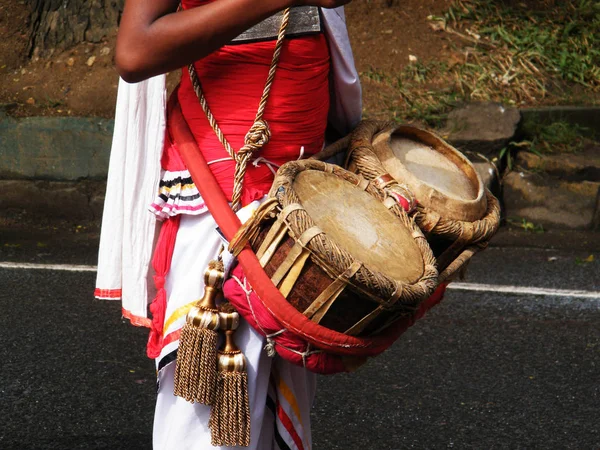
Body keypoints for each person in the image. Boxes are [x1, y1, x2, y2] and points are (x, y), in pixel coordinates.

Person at [95, 1, 362, 448]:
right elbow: (135, 51)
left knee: (274, 409)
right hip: (222, 194)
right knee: (207, 421)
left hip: (303, 194)